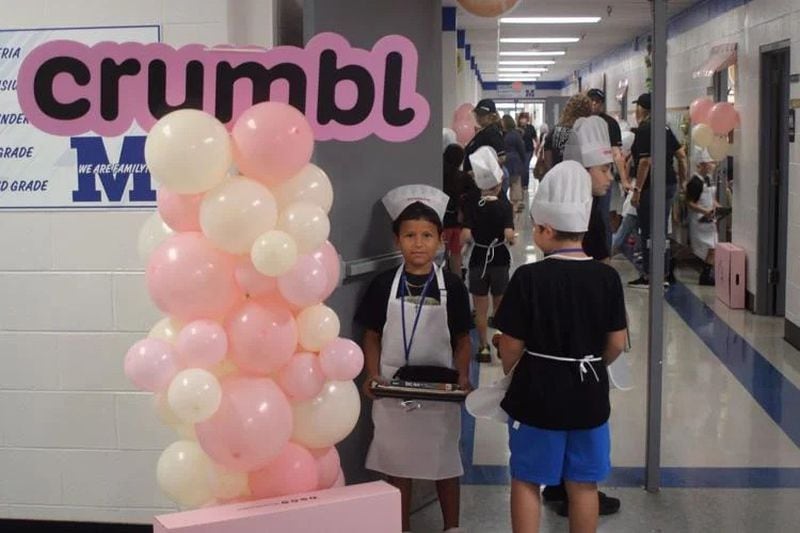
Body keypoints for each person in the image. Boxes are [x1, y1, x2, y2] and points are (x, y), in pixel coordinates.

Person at [495, 161, 628, 533]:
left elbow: (510, 344)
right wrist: (592, 363)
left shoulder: (528, 277)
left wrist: (513, 372)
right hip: (589, 394)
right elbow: (616, 342)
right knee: (583, 483)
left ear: (546, 229)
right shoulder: (607, 277)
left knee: (526, 479)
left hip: (536, 392)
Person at [356, 185, 472, 533]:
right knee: (397, 463)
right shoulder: (383, 285)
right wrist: (373, 375)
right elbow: (372, 335)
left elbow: (463, 339)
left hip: (440, 389)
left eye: (426, 235)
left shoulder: (451, 286)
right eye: (409, 235)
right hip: (394, 389)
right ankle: (399, 526)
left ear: (439, 240)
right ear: (397, 241)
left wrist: (463, 377)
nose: (418, 243)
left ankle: (452, 526)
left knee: (445, 462)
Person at [628, 93, 688, 288]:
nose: (635, 110)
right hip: (669, 184)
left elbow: (645, 162)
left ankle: (649, 275)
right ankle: (662, 273)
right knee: (661, 230)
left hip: (651, 187)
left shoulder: (645, 129)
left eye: (637, 107)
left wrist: (637, 189)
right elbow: (681, 155)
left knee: (648, 231)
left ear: (642, 109)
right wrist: (682, 181)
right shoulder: (665, 127)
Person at [462, 146, 515, 363]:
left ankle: (483, 347)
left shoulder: (472, 205)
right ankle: (501, 345)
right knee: (499, 308)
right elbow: (509, 234)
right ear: (499, 184)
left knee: (480, 309)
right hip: (499, 260)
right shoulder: (505, 206)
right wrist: (510, 237)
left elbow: (466, 235)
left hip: (477, 261)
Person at [563, 116, 616, 263]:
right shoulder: (585, 218)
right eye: (604, 170)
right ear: (583, 172)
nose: (610, 178)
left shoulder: (594, 211)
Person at [685, 149, 719, 286]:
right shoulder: (695, 182)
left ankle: (706, 274)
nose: (712, 166)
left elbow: (712, 198)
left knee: (713, 248)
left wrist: (717, 207)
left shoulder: (708, 180)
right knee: (710, 248)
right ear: (702, 165)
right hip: (699, 220)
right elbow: (689, 203)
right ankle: (705, 275)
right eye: (709, 163)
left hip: (709, 219)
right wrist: (704, 211)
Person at [443, 143, 476, 278]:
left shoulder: (439, 175)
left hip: (442, 222)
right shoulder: (465, 178)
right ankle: (457, 281)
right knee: (456, 254)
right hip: (458, 222)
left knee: (441, 254)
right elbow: (473, 198)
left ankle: (441, 279)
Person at [543, 94, 592, 171]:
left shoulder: (555, 132)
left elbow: (548, 161)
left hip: (559, 177)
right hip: (583, 177)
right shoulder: (589, 132)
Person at [464, 98, 506, 175]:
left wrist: (479, 172)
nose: (478, 117)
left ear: (491, 116)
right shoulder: (483, 131)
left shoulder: (492, 132)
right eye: (477, 114)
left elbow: (502, 157)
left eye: (482, 114)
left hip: (484, 182)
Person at [502, 114, 528, 212]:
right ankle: (515, 204)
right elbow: (521, 149)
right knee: (515, 183)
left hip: (509, 161)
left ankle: (513, 204)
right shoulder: (515, 134)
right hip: (515, 161)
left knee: (511, 182)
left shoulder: (508, 134)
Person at [517, 111, 538, 190]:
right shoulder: (517, 128)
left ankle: (525, 184)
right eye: (522, 118)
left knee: (525, 167)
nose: (523, 120)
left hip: (528, 150)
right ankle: (520, 184)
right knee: (520, 167)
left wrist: (537, 148)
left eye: (525, 118)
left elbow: (535, 138)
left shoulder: (530, 128)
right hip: (519, 151)